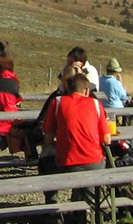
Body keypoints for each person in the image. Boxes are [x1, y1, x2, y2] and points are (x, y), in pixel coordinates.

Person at [42, 73, 111, 202]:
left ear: (68, 88)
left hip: (66, 162)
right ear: (87, 90)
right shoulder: (96, 104)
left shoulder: (57, 102)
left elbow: (48, 138)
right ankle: (87, 206)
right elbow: (107, 139)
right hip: (94, 162)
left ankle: (52, 207)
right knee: (91, 174)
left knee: (45, 163)